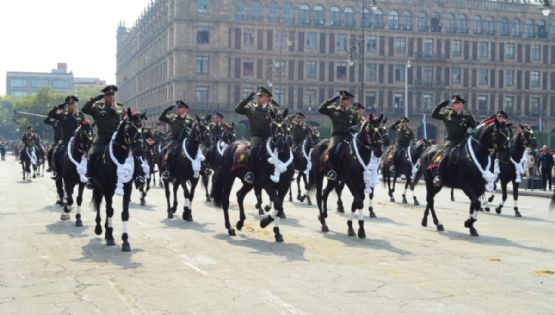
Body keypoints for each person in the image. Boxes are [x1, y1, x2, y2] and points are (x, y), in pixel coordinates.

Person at [81, 85, 126, 189]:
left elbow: (124, 123)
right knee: (92, 155)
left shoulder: (120, 108)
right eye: (108, 95)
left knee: (131, 155)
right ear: (105, 96)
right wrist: (95, 99)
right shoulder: (97, 107)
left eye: (112, 95)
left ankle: (137, 177)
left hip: (116, 139)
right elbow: (84, 109)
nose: (111, 97)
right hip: (103, 138)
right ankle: (91, 178)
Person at [235, 86, 279, 184]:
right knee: (253, 151)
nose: (258, 98)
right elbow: (238, 109)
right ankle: (250, 173)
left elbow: (279, 121)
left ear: (267, 98)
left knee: (281, 148)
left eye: (261, 96)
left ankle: (282, 172)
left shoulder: (273, 109)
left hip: (270, 137)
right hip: (257, 136)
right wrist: (246, 100)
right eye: (258, 96)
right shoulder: (251, 107)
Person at [431, 95, 477, 186]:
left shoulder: (468, 116)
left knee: (476, 154)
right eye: (453, 103)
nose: (454, 105)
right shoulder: (447, 114)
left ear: (461, 105)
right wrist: (441, 105)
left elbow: (474, 128)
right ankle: (439, 176)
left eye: (457, 103)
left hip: (464, 140)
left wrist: (471, 132)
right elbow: (434, 115)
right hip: (451, 141)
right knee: (447, 155)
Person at [318, 90, 361, 180]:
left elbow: (358, 125)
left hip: (349, 136)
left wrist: (354, 127)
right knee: (332, 149)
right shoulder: (333, 110)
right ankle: (332, 171)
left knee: (358, 148)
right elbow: (321, 109)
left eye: (344, 99)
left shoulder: (353, 113)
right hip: (336, 136)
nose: (341, 101)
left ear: (349, 101)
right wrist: (331, 100)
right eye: (341, 99)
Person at [47, 96, 85, 178]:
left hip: (78, 142)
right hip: (65, 140)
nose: (71, 106)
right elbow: (51, 114)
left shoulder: (80, 115)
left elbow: (84, 126)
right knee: (56, 152)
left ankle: (87, 174)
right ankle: (57, 172)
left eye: (73, 104)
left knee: (87, 154)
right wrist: (58, 107)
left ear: (76, 105)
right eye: (69, 104)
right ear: (67, 106)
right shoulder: (62, 115)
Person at [158, 100, 194, 180]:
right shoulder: (172, 117)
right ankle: (167, 170)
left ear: (185, 109)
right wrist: (166, 110)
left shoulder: (190, 120)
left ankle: (202, 169)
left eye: (179, 108)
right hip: (174, 141)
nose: (177, 109)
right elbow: (161, 118)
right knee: (167, 152)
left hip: (186, 141)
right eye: (177, 107)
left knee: (198, 153)